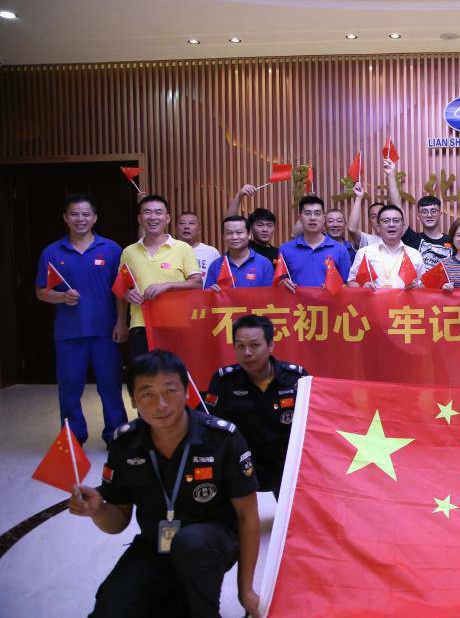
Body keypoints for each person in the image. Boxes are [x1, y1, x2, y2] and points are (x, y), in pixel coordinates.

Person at [68, 350, 262, 618]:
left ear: (186, 391)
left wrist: (245, 590)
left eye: (170, 391)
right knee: (109, 611)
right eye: (147, 394)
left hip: (210, 544)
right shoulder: (126, 443)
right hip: (155, 545)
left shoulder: (222, 438)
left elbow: (247, 516)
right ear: (133, 399)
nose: (161, 404)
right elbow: (118, 522)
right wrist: (98, 510)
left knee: (191, 545)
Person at [35, 194, 127, 446]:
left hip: (105, 332)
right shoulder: (52, 252)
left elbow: (120, 291)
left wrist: (121, 323)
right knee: (69, 389)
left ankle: (116, 436)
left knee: (110, 387)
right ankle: (73, 438)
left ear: (95, 218)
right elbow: (41, 291)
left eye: (86, 214)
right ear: (65, 218)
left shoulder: (111, 249)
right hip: (69, 333)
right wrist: (61, 297)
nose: (80, 219)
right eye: (74, 214)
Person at [205, 315, 307, 497]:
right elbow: (213, 429)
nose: (247, 353)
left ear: (270, 346)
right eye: (240, 346)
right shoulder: (223, 381)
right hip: (242, 466)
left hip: (287, 467)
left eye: (254, 345)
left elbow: (310, 427)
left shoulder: (295, 378)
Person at [120, 195, 202, 358]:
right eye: (147, 212)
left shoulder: (183, 248)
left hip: (175, 324)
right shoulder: (129, 252)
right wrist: (126, 295)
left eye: (158, 212)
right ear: (139, 219)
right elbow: (121, 288)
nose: (153, 217)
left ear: (167, 218)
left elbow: (197, 283)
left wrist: (167, 286)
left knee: (175, 372)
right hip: (140, 325)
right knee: (144, 372)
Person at [277, 195, 351, 290]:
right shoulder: (285, 249)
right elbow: (278, 283)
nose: (313, 218)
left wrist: (335, 286)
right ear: (300, 218)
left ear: (323, 218)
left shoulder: (340, 250)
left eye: (317, 213)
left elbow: (346, 285)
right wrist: (282, 283)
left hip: (328, 300)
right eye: (307, 213)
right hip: (295, 300)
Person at [348, 204, 425, 289]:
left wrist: (418, 287)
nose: (391, 224)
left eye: (396, 221)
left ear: (403, 226)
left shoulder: (414, 254)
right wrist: (361, 286)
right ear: (378, 227)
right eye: (386, 221)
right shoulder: (364, 253)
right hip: (373, 298)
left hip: (406, 298)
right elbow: (351, 282)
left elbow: (423, 285)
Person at [204, 216, 274, 290]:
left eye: (239, 232)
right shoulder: (216, 265)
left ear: (249, 235)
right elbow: (207, 295)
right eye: (229, 233)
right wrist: (210, 292)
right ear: (224, 236)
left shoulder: (264, 263)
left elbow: (270, 294)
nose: (234, 237)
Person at [226, 184, 279, 264]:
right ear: (250, 228)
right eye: (260, 225)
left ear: (274, 228)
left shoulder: (278, 253)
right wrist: (239, 196)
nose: (265, 230)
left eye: (269, 225)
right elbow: (228, 223)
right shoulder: (243, 247)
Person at [176, 211, 221, 279]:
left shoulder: (211, 252)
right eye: (182, 223)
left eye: (191, 223)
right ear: (176, 228)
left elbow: (219, 278)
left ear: (199, 229)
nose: (186, 226)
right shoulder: (169, 250)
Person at [346, 180, 383, 249]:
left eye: (381, 214)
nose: (378, 219)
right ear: (370, 222)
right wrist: (359, 197)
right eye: (373, 217)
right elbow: (352, 229)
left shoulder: (398, 237)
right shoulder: (368, 240)